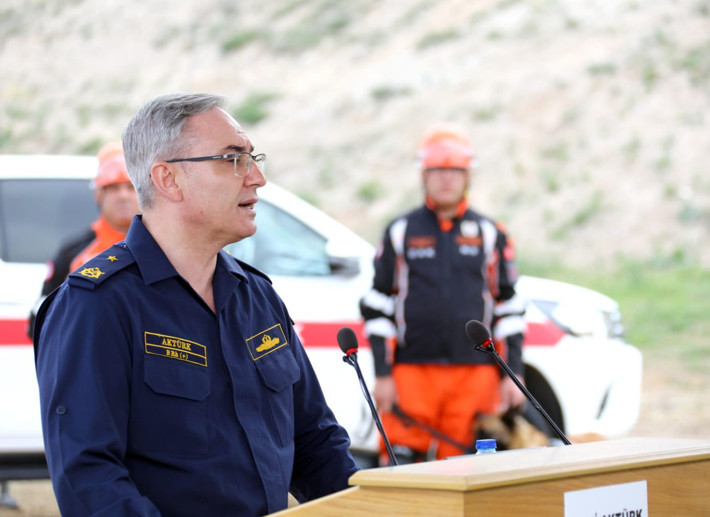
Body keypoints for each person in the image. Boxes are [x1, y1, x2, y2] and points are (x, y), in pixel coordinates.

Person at [34, 92, 359, 516]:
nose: (257, 177)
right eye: (232, 159)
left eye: (252, 157)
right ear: (169, 179)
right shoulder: (96, 305)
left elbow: (315, 444)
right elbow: (89, 479)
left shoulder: (256, 297)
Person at [359, 123, 527, 463]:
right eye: (438, 170)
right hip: (411, 375)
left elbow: (509, 306)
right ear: (424, 174)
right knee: (399, 469)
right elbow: (378, 306)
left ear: (468, 176)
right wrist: (382, 374)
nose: (446, 179)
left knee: (469, 472)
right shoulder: (400, 231)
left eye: (455, 171)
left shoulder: (491, 233)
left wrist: (515, 374)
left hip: (475, 376)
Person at [26, 143, 140, 338]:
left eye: (130, 186)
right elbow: (39, 319)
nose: (123, 196)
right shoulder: (73, 253)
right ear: (98, 194)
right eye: (112, 187)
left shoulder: (165, 247)